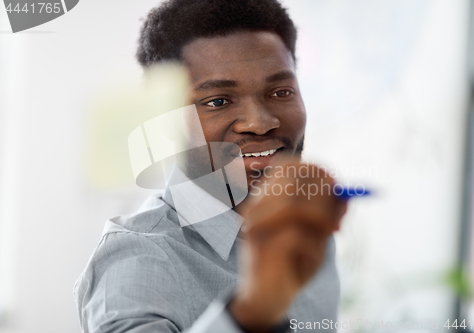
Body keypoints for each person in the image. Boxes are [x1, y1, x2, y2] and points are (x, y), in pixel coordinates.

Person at [74, 0, 347, 332]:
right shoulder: (137, 257)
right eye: (217, 101)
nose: (260, 123)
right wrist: (252, 311)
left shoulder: (306, 234)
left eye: (281, 91)